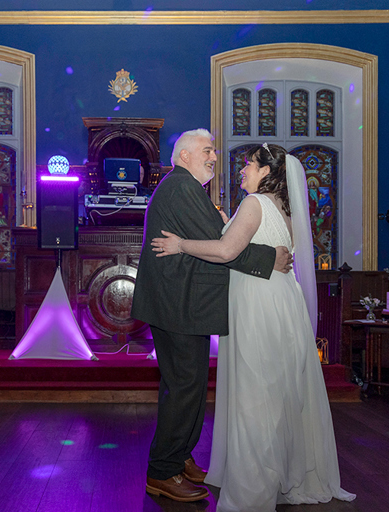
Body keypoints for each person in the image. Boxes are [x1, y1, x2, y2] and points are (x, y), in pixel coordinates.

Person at [152, 143, 356, 511]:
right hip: (280, 303)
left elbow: (227, 250)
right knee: (277, 391)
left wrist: (180, 244)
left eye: (249, 163)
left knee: (256, 393)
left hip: (257, 305)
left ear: (265, 172)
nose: (242, 168)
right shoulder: (286, 209)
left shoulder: (254, 204)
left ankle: (254, 485)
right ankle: (281, 472)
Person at [131, 129, 293, 503]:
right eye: (207, 151)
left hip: (183, 304)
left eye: (214, 152)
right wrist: (272, 259)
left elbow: (216, 238)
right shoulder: (182, 187)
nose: (214, 158)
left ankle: (180, 456)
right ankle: (162, 472)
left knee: (186, 387)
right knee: (184, 389)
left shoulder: (185, 187)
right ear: (184, 155)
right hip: (179, 305)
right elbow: (224, 248)